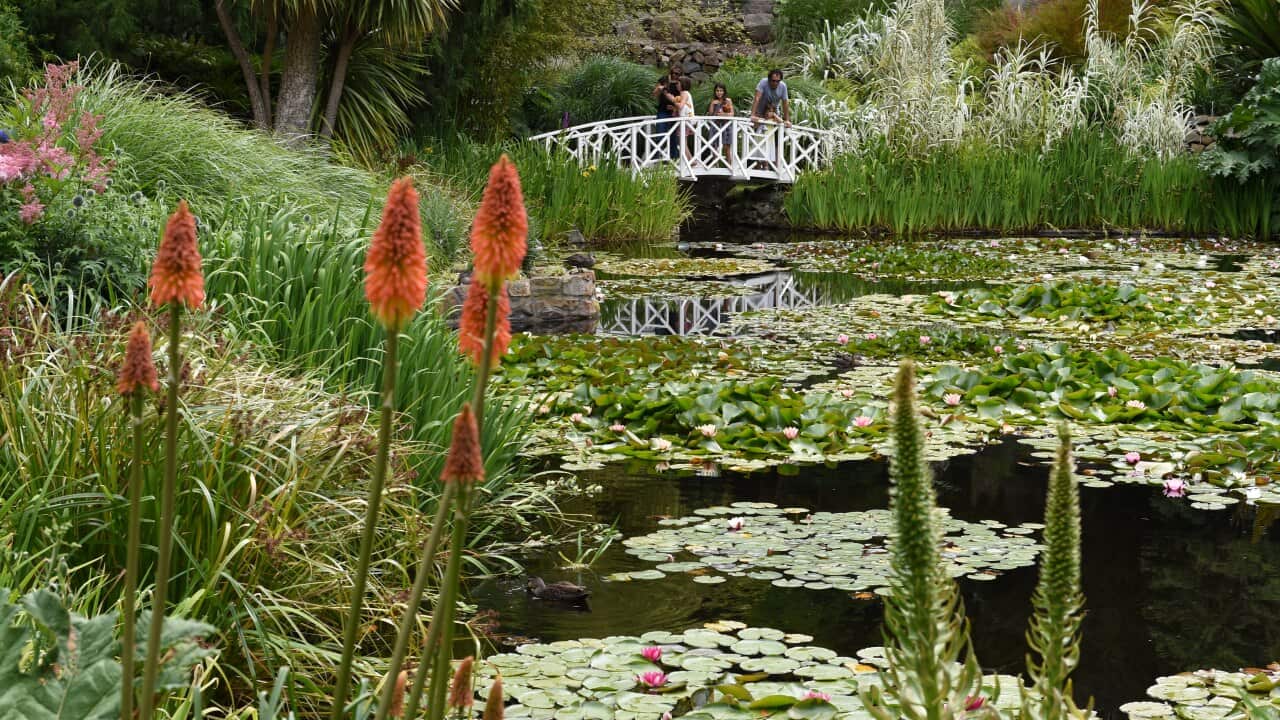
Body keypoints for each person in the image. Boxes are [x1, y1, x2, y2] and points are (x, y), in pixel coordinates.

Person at [706, 83, 734, 163]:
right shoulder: (714, 101)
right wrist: (712, 104)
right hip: (716, 125)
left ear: (724, 91)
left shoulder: (728, 101)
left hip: (726, 125)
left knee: (726, 146)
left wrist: (723, 114)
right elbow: (711, 114)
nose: (719, 92)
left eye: (721, 91)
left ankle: (730, 165)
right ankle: (715, 164)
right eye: (717, 91)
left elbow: (732, 114)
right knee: (714, 145)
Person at [654, 80, 681, 160]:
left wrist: (674, 108)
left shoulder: (680, 83)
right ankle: (657, 158)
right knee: (660, 134)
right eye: (673, 73)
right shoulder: (663, 80)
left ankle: (674, 159)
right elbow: (654, 95)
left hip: (675, 113)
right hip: (663, 112)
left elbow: (684, 102)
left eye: (677, 73)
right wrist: (659, 89)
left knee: (674, 137)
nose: (675, 75)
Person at [678, 76, 696, 164]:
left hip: (685, 121)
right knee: (684, 142)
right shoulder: (687, 93)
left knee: (682, 142)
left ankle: (691, 161)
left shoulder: (684, 93)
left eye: (678, 83)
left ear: (682, 84)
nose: (677, 85)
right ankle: (691, 160)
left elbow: (681, 106)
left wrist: (673, 101)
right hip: (687, 120)